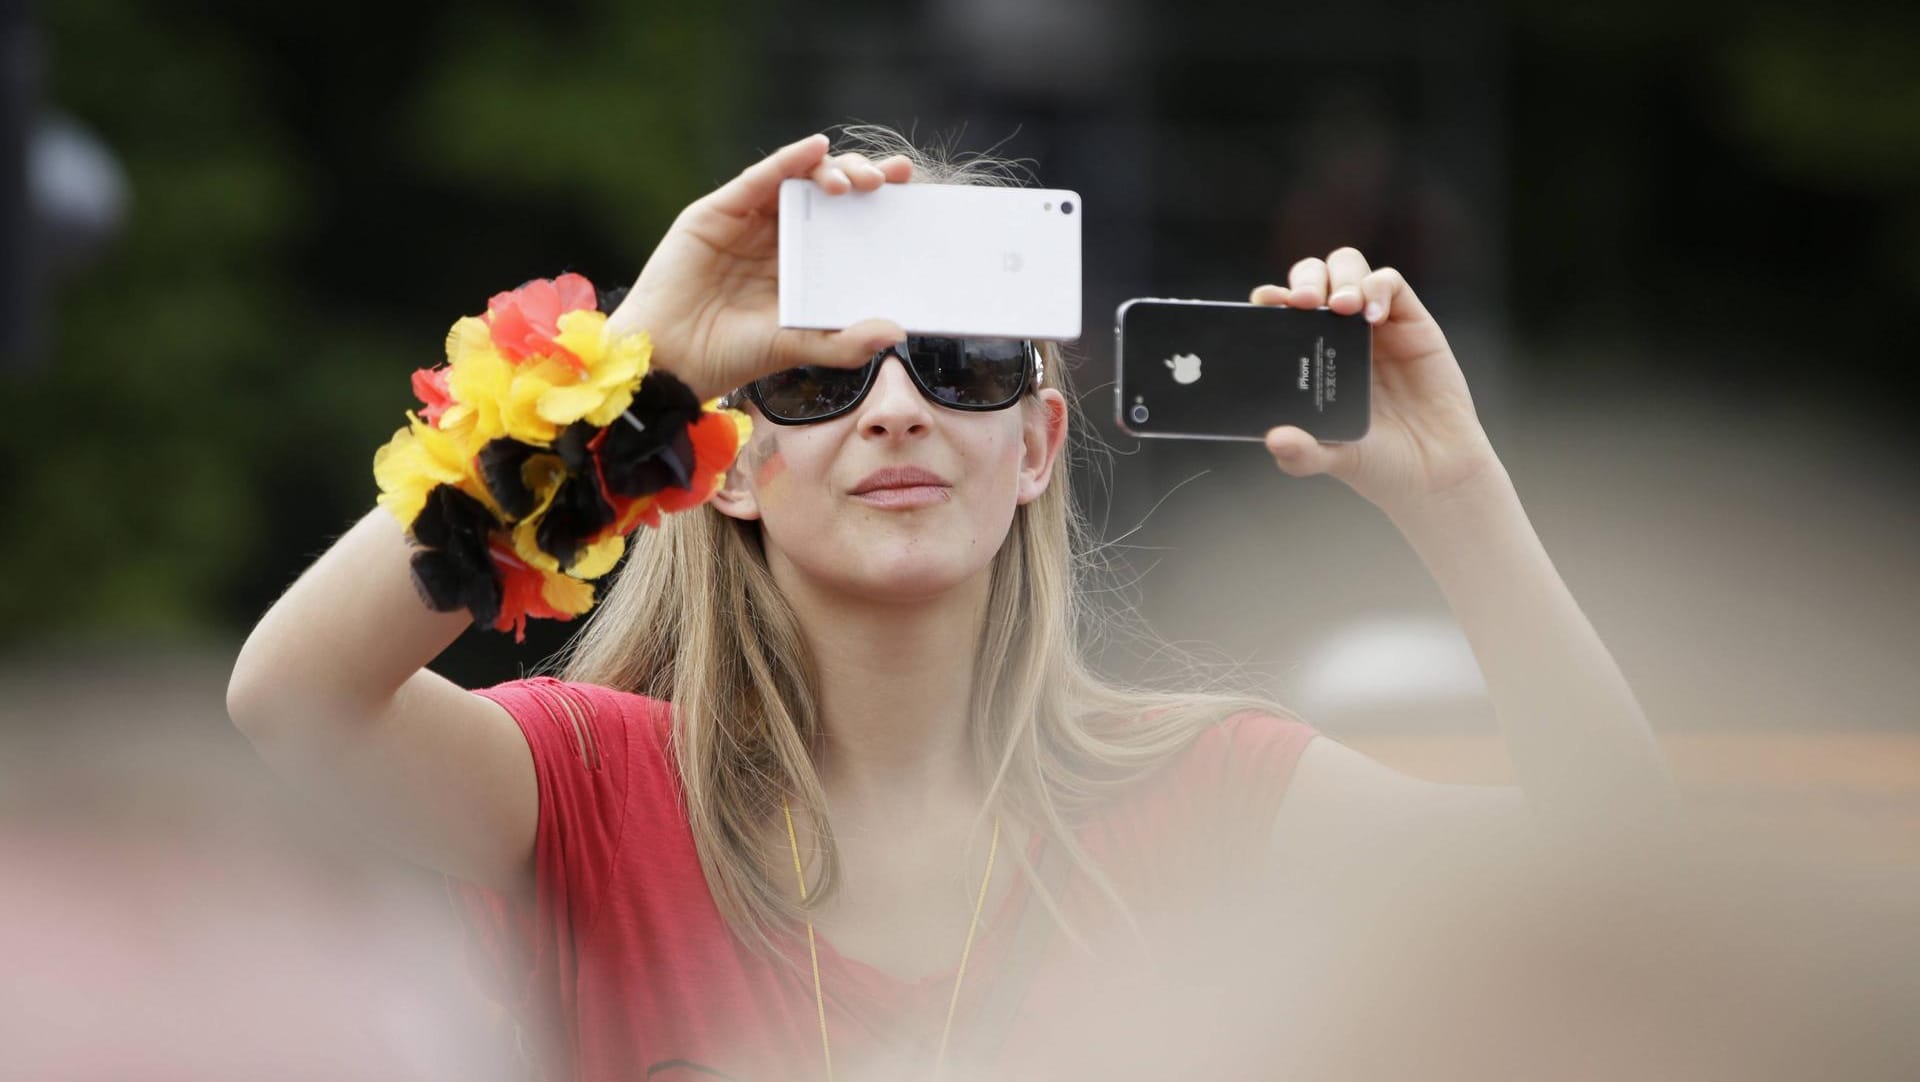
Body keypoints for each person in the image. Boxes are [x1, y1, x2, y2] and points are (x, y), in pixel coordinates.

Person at [226, 127, 1672, 1082]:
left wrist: (1459, 491)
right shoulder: (588, 781)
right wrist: (631, 376)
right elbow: (293, 702)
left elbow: (1629, 873)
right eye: (815, 376)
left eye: (966, 364)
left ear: (1037, 447)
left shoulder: (1207, 790)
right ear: (719, 465)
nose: (898, 410)